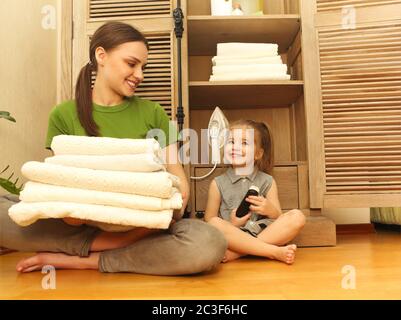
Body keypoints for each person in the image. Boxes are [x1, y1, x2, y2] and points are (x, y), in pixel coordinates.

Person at [0, 21, 227, 275]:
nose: (140, 75)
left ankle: (85, 259)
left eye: (143, 67)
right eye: (132, 64)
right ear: (101, 56)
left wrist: (165, 208)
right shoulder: (63, 115)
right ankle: (106, 249)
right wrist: (83, 211)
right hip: (81, 227)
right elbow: (66, 204)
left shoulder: (153, 113)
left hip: (144, 228)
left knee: (209, 242)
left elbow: (177, 180)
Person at [205, 120, 306, 264]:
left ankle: (240, 253)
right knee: (215, 223)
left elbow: (278, 216)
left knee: (297, 216)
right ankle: (273, 252)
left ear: (258, 154)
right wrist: (232, 225)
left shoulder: (267, 181)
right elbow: (209, 222)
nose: (236, 147)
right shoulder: (218, 183)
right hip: (233, 237)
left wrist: (271, 210)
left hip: (263, 233)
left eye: (244, 143)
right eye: (232, 142)